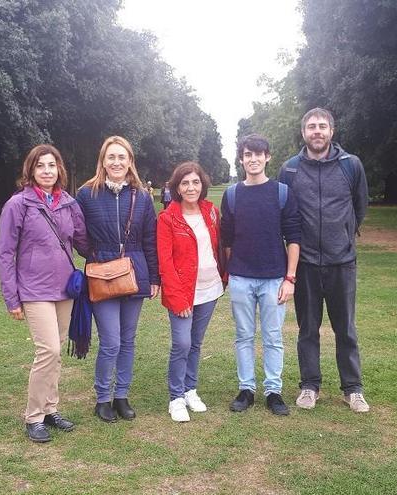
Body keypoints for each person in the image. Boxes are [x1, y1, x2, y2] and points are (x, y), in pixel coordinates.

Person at [278, 107, 371, 413]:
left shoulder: (350, 165)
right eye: (311, 127)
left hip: (341, 262)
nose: (316, 131)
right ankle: (309, 386)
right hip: (304, 264)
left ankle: (353, 389)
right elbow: (285, 213)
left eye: (322, 126)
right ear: (303, 133)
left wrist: (344, 235)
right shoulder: (290, 169)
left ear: (332, 131)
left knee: (345, 328)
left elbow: (360, 207)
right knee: (307, 329)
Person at [0, 144, 90, 443]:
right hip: (34, 289)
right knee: (47, 350)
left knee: (56, 350)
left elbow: (83, 242)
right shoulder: (18, 205)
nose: (47, 171)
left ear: (59, 169)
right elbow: (4, 253)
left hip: (65, 288)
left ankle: (51, 409)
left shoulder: (68, 203)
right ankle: (34, 416)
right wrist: (12, 298)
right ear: (31, 171)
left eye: (52, 165)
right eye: (41, 166)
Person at [77, 136, 160, 423]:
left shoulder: (143, 197)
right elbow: (78, 234)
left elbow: (150, 238)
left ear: (130, 162)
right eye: (111, 157)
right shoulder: (86, 194)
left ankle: (121, 395)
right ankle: (102, 398)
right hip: (101, 275)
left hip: (135, 273)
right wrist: (97, 253)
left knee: (128, 340)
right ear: (102, 161)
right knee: (110, 341)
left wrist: (154, 277)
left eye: (121, 157)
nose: (116, 162)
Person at [220, 134, 301, 416]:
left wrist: (290, 278)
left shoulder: (281, 193)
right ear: (241, 159)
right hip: (242, 278)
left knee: (273, 336)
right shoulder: (232, 195)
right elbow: (227, 240)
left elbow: (294, 237)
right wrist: (235, 271)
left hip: (274, 278)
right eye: (247, 154)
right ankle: (246, 389)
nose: (253, 159)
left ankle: (273, 391)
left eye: (258, 154)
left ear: (267, 157)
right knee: (243, 335)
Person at [157, 161, 225, 422]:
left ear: (202, 184)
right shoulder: (167, 218)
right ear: (177, 187)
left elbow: (220, 246)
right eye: (185, 183)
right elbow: (165, 262)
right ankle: (175, 397)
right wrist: (176, 296)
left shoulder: (211, 212)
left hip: (210, 289)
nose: (191, 187)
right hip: (182, 292)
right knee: (182, 343)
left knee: (195, 343)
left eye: (195, 182)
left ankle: (190, 389)